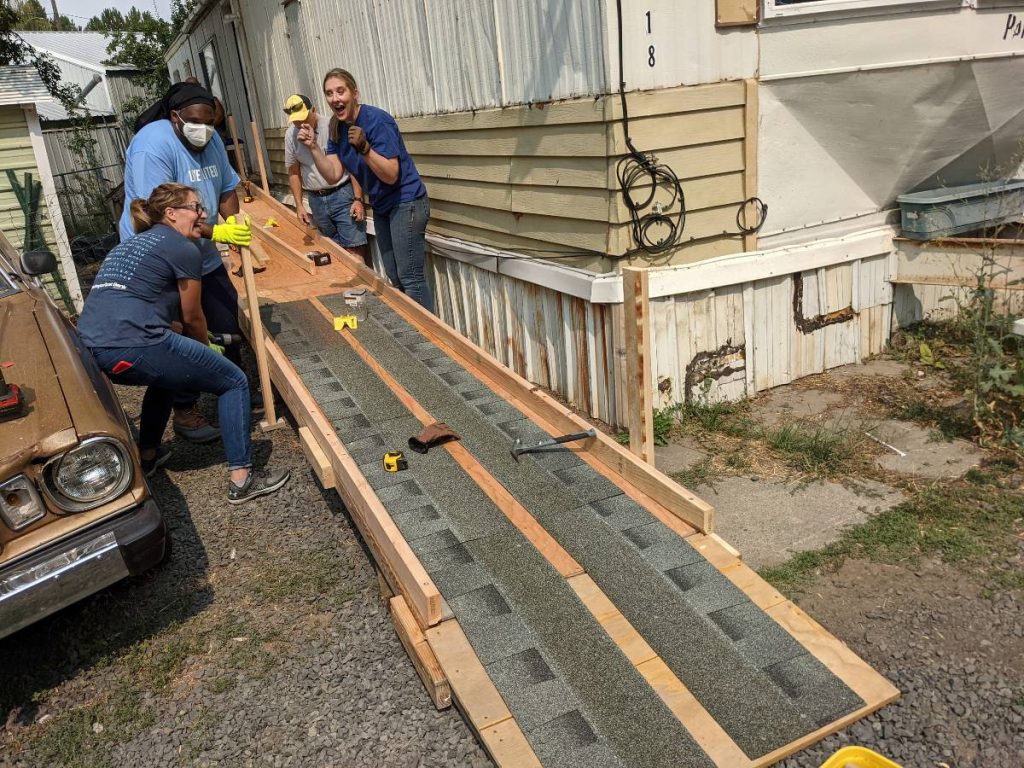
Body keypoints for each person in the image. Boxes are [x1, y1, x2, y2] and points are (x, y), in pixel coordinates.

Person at [78, 183, 290, 504]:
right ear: (171, 213)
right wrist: (205, 347)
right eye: (195, 207)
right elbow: (192, 316)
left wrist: (190, 342)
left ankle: (148, 455)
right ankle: (242, 478)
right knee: (233, 381)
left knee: (167, 377)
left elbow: (155, 313)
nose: (202, 215)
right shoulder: (184, 249)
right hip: (137, 343)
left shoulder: (131, 245)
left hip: (94, 350)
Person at [124, 81, 252, 444]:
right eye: (196, 122)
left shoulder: (212, 141)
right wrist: (216, 232)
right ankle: (186, 410)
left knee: (226, 322)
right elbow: (159, 215)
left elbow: (226, 188)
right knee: (182, 330)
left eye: (210, 123)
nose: (204, 129)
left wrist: (234, 223)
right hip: (160, 254)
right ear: (175, 117)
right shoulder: (151, 147)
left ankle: (235, 390)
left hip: (201, 248)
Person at [301, 69, 433, 311]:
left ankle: (429, 333)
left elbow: (391, 175)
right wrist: (313, 148)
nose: (335, 98)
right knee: (394, 276)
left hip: (406, 202)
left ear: (355, 93)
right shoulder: (337, 128)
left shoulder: (377, 121)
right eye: (329, 93)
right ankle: (412, 328)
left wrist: (365, 149)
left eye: (340, 91)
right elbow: (333, 174)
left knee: (411, 278)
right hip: (382, 206)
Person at [283, 93, 370, 266]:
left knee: (354, 251)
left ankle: (362, 283)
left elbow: (352, 164)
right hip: (316, 200)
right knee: (333, 252)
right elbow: (293, 172)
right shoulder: (290, 135)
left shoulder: (333, 127)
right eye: (296, 121)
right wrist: (299, 205)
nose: (300, 124)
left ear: (313, 110)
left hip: (342, 194)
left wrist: (358, 199)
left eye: (303, 118)